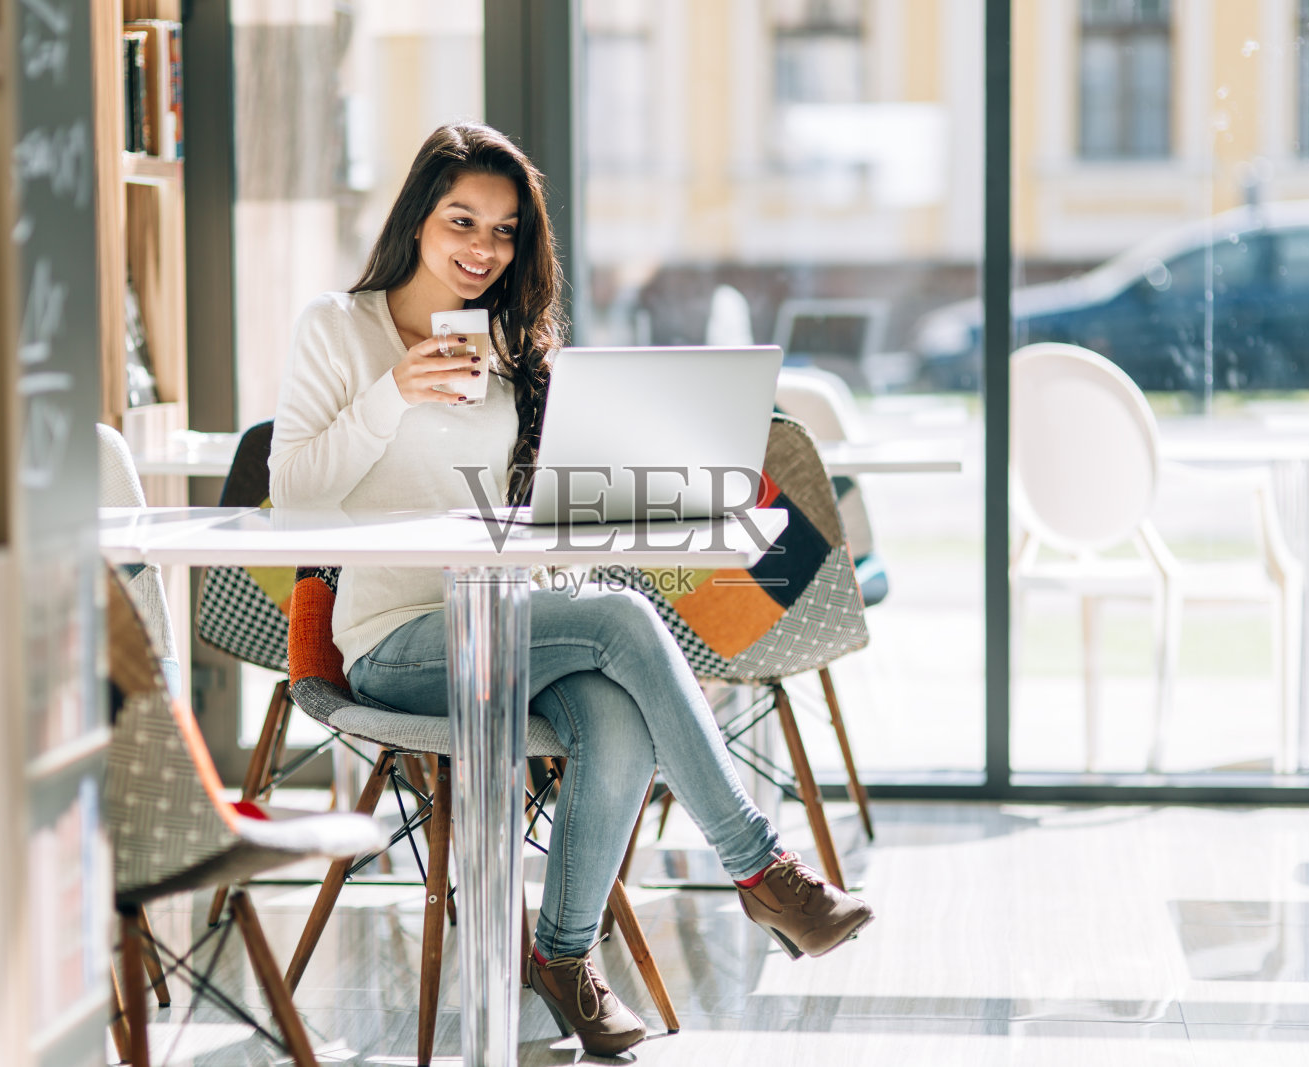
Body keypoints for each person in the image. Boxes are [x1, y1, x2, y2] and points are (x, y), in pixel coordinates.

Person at [268, 122, 873, 1056]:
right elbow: (295, 498)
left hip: (510, 620)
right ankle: (762, 870)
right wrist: (393, 391)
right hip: (396, 639)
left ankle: (563, 958)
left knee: (616, 714)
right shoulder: (337, 328)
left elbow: (519, 508)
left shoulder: (508, 348)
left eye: (504, 231)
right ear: (417, 219)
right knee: (625, 618)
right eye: (462, 221)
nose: (482, 248)